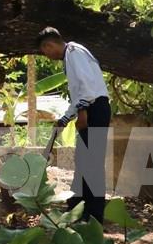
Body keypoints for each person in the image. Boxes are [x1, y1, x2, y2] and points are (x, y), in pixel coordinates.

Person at [36, 26, 111, 224]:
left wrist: (83, 112)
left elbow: (86, 87)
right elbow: (78, 94)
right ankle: (77, 207)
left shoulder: (74, 52)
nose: (47, 56)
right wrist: (65, 119)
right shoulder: (71, 56)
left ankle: (93, 215)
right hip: (91, 107)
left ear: (49, 45)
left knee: (92, 164)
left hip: (95, 109)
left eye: (45, 51)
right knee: (83, 160)